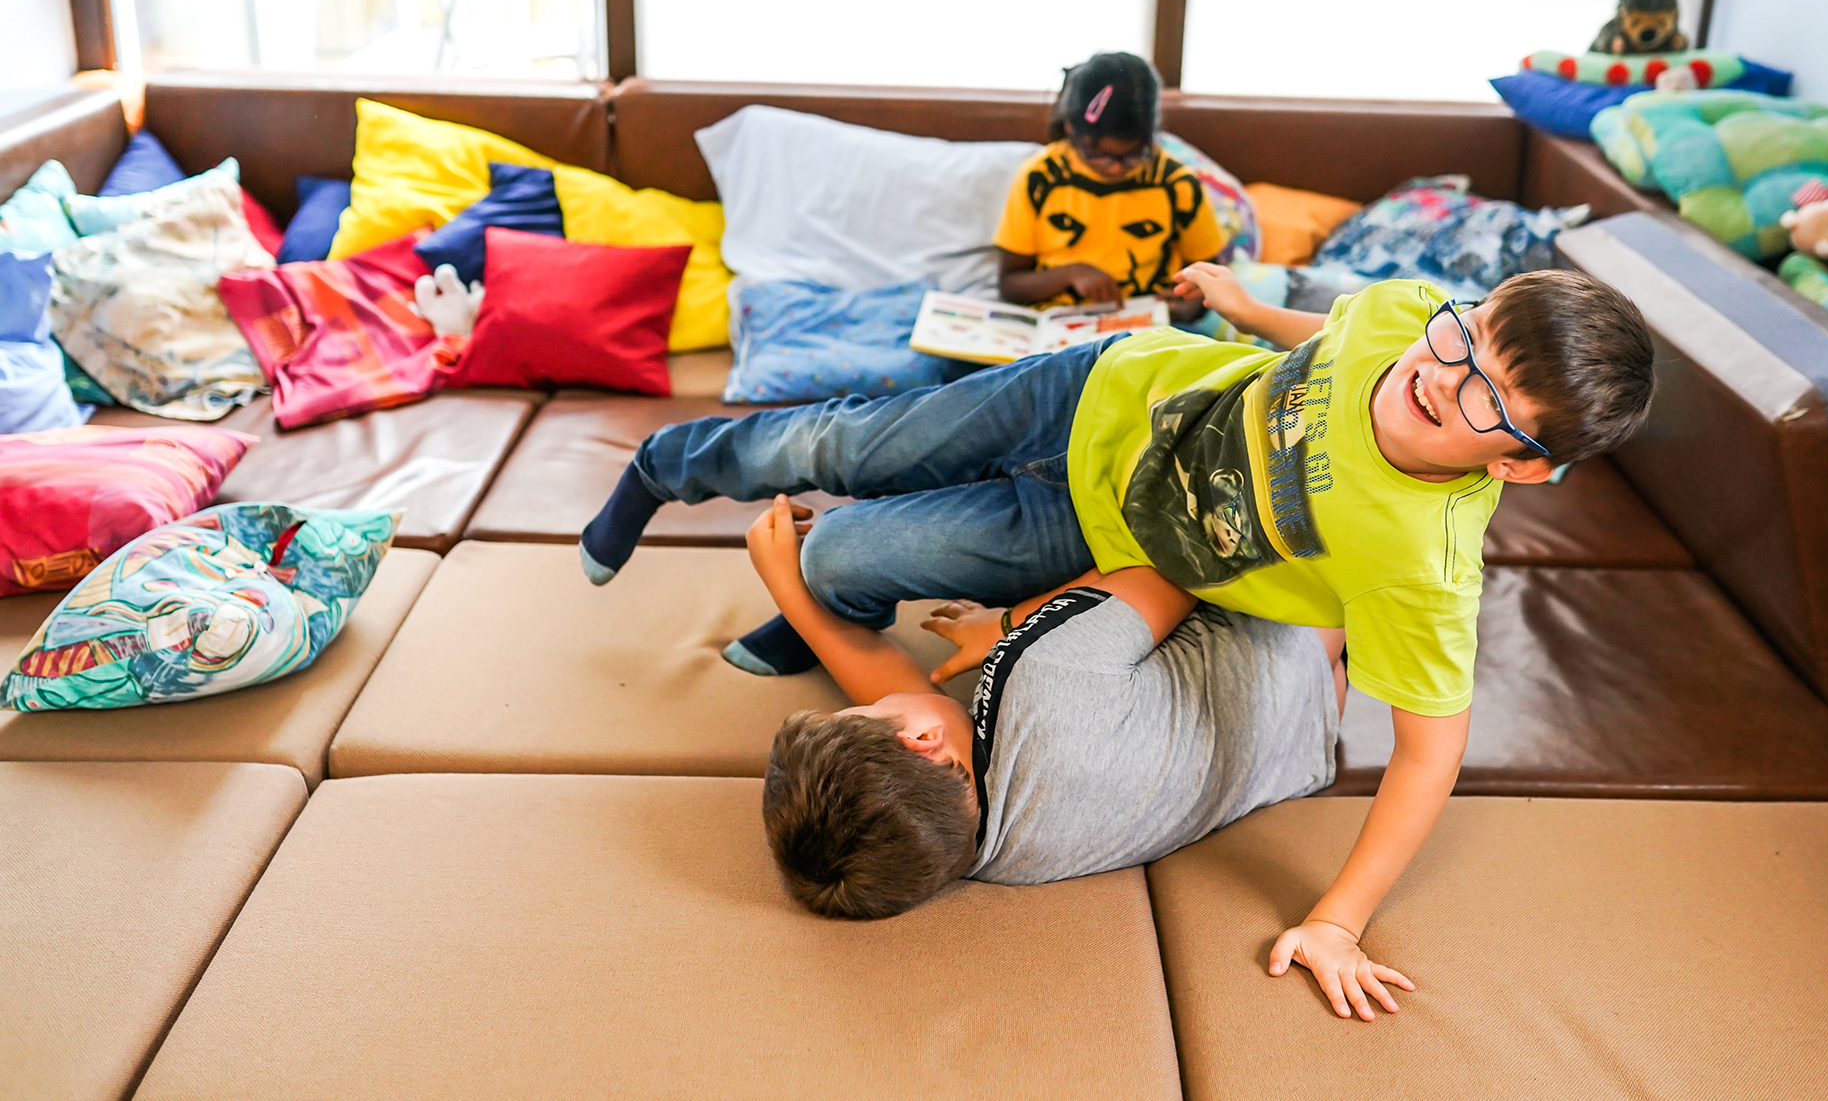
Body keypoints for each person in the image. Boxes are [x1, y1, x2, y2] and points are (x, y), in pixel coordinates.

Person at [580, 266, 1654, 1019]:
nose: (1441, 373)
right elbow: (1344, 333)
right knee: (848, 486)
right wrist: (1248, 309)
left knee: (844, 509)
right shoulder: (1411, 318)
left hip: (1106, 499)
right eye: (1462, 336)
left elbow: (1431, 751)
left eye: (1485, 397)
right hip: (1120, 419)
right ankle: (696, 485)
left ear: (1518, 467)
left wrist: (1340, 918)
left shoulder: (1422, 561)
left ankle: (725, 515)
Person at [746, 494, 1356, 932]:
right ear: (924, 742)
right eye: (873, 709)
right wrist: (1011, 624)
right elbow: (1177, 553)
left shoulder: (965, 851)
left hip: (1312, 728)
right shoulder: (1039, 674)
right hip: (1302, 615)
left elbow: (910, 700)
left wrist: (789, 591)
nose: (882, 697)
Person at [994, 52, 1224, 324]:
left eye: (1134, 155)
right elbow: (1010, 285)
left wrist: (1191, 307)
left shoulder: (1176, 184)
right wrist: (1072, 273)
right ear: (1070, 128)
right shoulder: (1039, 178)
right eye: (1098, 156)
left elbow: (1210, 275)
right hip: (1058, 330)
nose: (1115, 168)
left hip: (1149, 330)